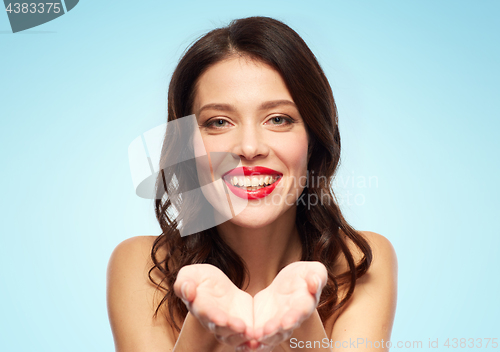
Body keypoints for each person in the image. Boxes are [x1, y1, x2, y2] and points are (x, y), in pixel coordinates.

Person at [106, 16, 397, 352]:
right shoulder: (143, 265)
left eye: (278, 119)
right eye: (218, 122)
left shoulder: (359, 262)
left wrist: (299, 318)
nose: (248, 147)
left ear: (314, 138)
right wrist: (203, 323)